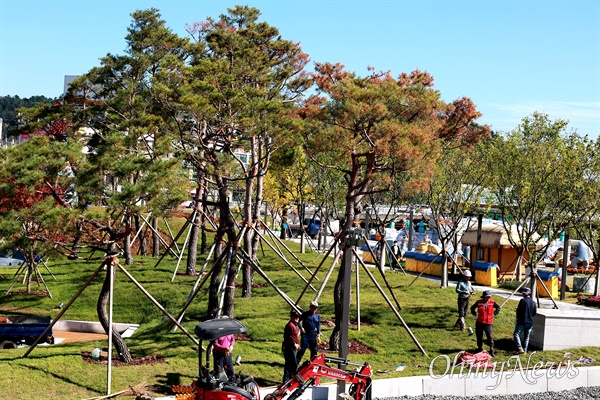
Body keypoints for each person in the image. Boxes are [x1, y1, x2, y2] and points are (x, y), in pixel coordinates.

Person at [470, 290, 501, 357]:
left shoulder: (492, 302)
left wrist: (494, 313)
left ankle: (491, 350)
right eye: (487, 297)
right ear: (483, 297)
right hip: (479, 322)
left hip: (488, 323)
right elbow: (472, 308)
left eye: (489, 297)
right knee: (479, 336)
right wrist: (475, 314)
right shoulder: (479, 302)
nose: (488, 298)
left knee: (489, 336)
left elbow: (498, 307)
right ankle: (479, 348)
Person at [513, 287, 537, 355]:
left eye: (523, 293)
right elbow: (534, 313)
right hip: (530, 322)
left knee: (516, 334)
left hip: (522, 321)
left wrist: (517, 318)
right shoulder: (533, 303)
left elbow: (519, 311)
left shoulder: (522, 301)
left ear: (525, 294)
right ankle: (525, 351)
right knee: (526, 337)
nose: (522, 294)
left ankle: (520, 348)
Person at [282, 310, 300, 384]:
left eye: (297, 317)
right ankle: (287, 379)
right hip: (289, 347)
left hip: (292, 346)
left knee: (291, 363)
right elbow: (288, 337)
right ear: (291, 317)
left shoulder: (293, 325)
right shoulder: (290, 325)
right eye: (295, 317)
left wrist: (297, 343)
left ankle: (289, 378)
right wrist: (294, 344)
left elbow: (294, 336)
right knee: (291, 363)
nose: (296, 319)